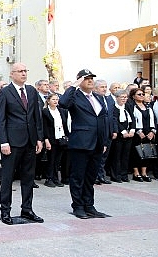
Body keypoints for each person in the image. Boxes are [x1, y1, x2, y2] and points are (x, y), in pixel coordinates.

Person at [0, 62, 44, 225]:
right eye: (20, 71)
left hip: (30, 140)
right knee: (8, 177)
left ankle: (27, 209)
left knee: (29, 177)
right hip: (12, 141)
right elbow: (0, 119)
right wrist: (4, 141)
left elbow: (37, 116)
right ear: (12, 74)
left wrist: (39, 138)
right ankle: (5, 210)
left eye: (25, 70)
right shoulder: (5, 92)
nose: (24, 73)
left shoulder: (31, 91)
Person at [59, 69, 110, 219]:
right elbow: (63, 103)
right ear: (80, 81)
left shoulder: (98, 97)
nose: (90, 81)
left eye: (91, 78)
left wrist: (104, 141)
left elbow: (103, 119)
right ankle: (78, 206)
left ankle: (89, 205)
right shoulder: (74, 96)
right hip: (81, 142)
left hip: (97, 143)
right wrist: (74, 86)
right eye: (86, 78)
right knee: (78, 176)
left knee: (90, 176)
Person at [42, 93, 69, 187]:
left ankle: (56, 178)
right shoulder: (45, 112)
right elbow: (44, 127)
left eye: (57, 99)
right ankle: (49, 178)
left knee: (58, 160)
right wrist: (46, 139)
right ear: (48, 101)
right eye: (53, 99)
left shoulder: (61, 111)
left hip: (61, 138)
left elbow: (65, 125)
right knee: (51, 159)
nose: (55, 101)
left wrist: (66, 136)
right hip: (51, 138)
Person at [128, 87, 155, 182]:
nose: (142, 96)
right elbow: (131, 120)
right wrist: (138, 131)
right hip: (137, 133)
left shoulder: (148, 106)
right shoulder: (131, 106)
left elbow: (153, 120)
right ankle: (136, 173)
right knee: (136, 153)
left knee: (147, 153)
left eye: (143, 94)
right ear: (133, 96)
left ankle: (144, 172)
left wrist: (152, 131)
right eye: (139, 94)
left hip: (148, 132)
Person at [110, 90, 134, 183]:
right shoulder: (114, 108)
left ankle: (124, 175)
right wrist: (123, 131)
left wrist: (132, 130)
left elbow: (132, 118)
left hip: (129, 134)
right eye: (122, 97)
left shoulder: (128, 106)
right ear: (116, 98)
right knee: (117, 156)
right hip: (119, 135)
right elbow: (115, 121)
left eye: (126, 97)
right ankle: (116, 175)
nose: (125, 99)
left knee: (125, 155)